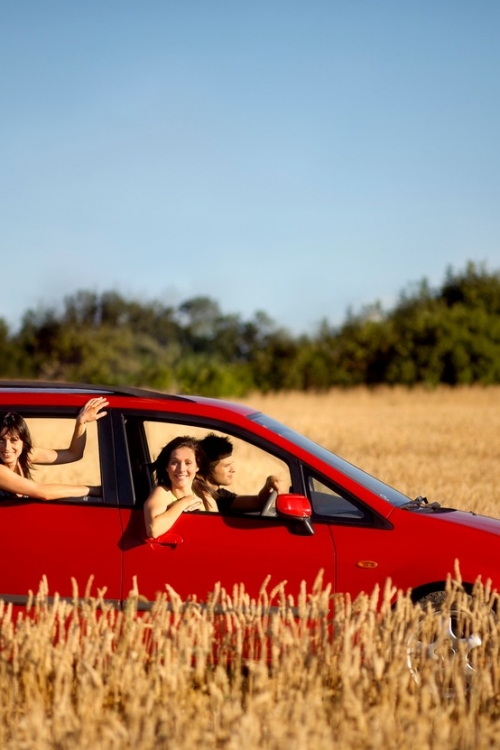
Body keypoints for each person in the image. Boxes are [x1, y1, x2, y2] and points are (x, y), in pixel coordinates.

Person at [0, 397, 108, 501]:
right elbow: (43, 493)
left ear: (23, 443)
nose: (7, 447)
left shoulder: (24, 456)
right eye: (1, 440)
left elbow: (74, 454)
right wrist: (93, 490)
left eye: (13, 440)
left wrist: (81, 422)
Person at [143, 436, 218, 539]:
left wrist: (202, 515)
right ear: (167, 467)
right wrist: (184, 502)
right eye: (174, 462)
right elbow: (153, 530)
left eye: (188, 463)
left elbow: (216, 534)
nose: (181, 469)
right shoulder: (163, 493)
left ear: (197, 466)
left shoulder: (205, 496)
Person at [197, 432, 287, 512]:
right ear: (207, 468)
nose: (233, 470)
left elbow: (258, 502)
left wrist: (270, 481)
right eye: (227, 466)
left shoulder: (221, 496)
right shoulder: (195, 493)